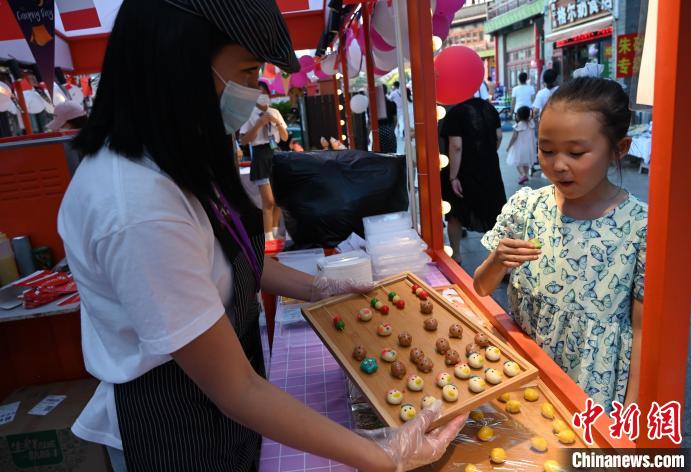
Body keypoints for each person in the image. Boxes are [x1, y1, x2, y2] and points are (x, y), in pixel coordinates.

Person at [58, 1, 465, 470]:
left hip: (220, 401)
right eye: (248, 73)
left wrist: (320, 288)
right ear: (179, 64)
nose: (255, 91)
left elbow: (228, 261)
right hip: (174, 424)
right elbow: (237, 389)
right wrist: (382, 454)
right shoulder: (136, 207)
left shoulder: (177, 159)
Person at [473, 77, 647, 413]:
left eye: (576, 152)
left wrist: (631, 418)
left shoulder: (640, 226)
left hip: (592, 388)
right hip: (523, 368)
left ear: (619, 149)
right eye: (547, 150)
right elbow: (481, 286)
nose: (558, 164)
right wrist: (497, 260)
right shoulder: (527, 207)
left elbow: (642, 332)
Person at [441, 97, 506, 264]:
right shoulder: (488, 108)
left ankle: (456, 255)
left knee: (455, 213)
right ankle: (498, 260)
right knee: (494, 212)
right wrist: (487, 152)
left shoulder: (455, 112)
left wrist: (453, 176)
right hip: (489, 168)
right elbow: (498, 136)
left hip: (463, 170)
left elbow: (456, 146)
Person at [240, 80, 287, 241]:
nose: (262, 96)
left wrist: (277, 123)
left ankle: (275, 235)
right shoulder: (249, 114)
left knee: (279, 199)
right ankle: (267, 238)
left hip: (276, 153)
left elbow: (284, 137)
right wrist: (260, 123)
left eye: (264, 93)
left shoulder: (275, 111)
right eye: (258, 94)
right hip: (260, 155)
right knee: (268, 201)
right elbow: (245, 140)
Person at [506, 106, 537, 185]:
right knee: (526, 162)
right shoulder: (531, 124)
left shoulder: (518, 125)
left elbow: (514, 137)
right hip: (529, 147)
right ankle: (525, 175)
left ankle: (523, 175)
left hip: (519, 147)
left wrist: (509, 146)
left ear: (518, 116)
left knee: (517, 162)